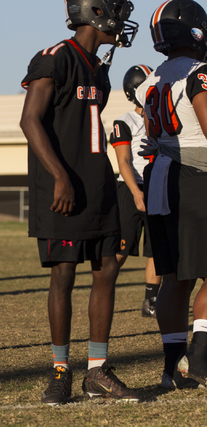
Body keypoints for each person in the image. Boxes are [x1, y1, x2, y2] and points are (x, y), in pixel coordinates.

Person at [19, 0, 140, 405]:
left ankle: (96, 371)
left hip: (97, 183)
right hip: (62, 186)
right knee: (64, 274)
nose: (121, 23)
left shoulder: (97, 68)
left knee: (107, 268)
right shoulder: (55, 58)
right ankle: (60, 370)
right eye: (116, 13)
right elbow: (29, 119)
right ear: (96, 14)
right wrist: (59, 176)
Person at [135, 0, 207, 389]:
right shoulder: (199, 74)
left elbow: (152, 135)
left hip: (161, 179)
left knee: (174, 279)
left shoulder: (151, 80)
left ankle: (170, 368)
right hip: (196, 178)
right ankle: (198, 359)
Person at [109, 64, 162, 318]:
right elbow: (124, 162)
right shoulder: (124, 121)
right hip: (131, 188)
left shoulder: (161, 118)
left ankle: (150, 303)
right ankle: (104, 288)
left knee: (157, 249)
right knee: (121, 248)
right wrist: (136, 192)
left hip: (157, 187)